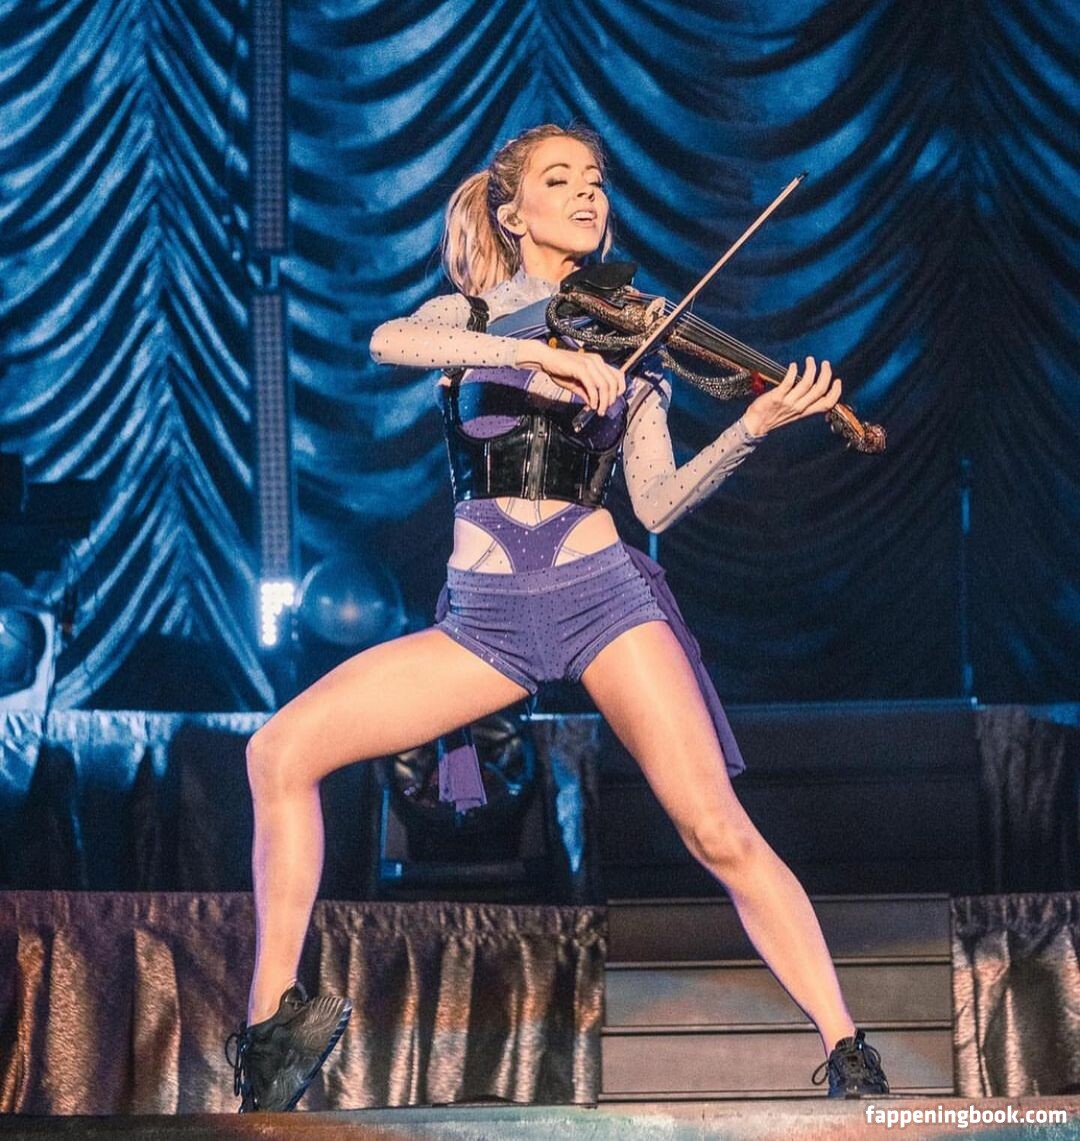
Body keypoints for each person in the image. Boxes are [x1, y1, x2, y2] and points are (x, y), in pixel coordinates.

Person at [226, 123, 890, 1111]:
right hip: (484, 622)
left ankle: (848, 1050)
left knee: (715, 828)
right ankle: (273, 1034)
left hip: (600, 597)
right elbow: (388, 340)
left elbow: (657, 501)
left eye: (596, 181)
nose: (587, 193)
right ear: (513, 212)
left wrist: (750, 426)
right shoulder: (467, 316)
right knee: (277, 753)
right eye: (560, 179)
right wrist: (535, 352)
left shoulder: (633, 337)